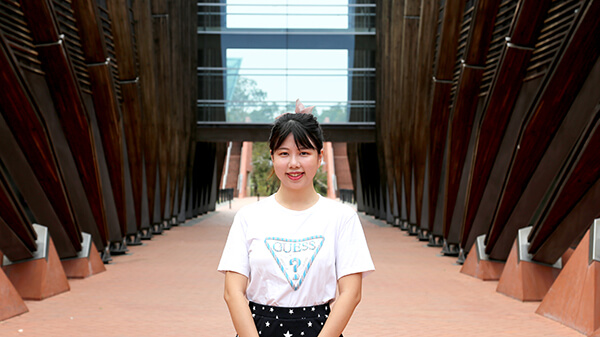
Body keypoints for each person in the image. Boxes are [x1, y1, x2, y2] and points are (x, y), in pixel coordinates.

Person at [217, 99, 375, 337]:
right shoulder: (249, 217)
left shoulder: (341, 218)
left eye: (304, 153)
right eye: (284, 153)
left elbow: (351, 293)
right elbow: (232, 292)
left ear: (320, 157)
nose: (293, 163)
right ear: (272, 156)